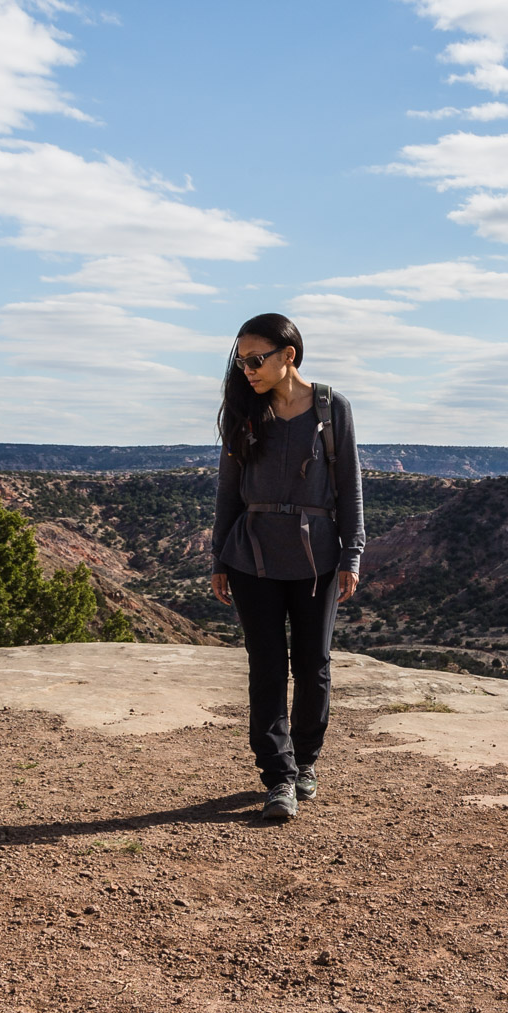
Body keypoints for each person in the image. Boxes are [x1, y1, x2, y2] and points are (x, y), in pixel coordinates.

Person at [210, 314, 364, 822]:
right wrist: (218, 559)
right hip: (250, 554)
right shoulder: (245, 410)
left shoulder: (330, 408)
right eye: (241, 361)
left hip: (317, 557)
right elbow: (228, 490)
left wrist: (351, 554)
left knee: (314, 666)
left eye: (256, 360)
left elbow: (350, 489)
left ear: (288, 356)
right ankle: (278, 776)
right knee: (268, 667)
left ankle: (305, 763)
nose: (247, 370)